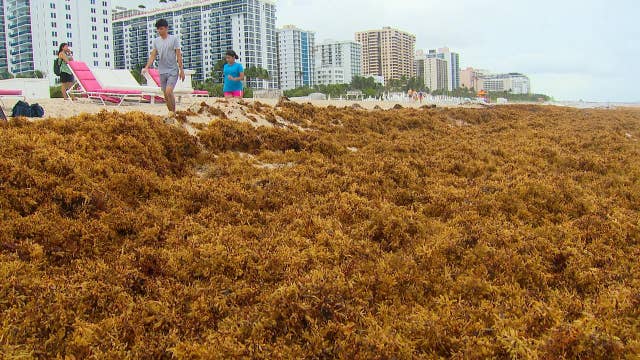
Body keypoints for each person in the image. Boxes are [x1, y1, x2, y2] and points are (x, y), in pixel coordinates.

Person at [142, 19, 185, 121]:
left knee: (169, 91)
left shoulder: (173, 39)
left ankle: (173, 113)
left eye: (161, 29)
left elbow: (178, 55)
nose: (159, 31)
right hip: (162, 70)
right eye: (158, 29)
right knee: (165, 94)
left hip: (173, 70)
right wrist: (147, 66)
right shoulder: (156, 41)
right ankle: (170, 113)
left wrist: (181, 70)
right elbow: (153, 55)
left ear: (166, 28)